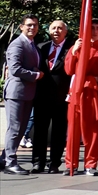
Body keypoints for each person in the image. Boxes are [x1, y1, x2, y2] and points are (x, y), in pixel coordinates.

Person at [65, 17, 98, 175]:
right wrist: (75, 51)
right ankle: (71, 164)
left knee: (93, 132)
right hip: (76, 93)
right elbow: (69, 70)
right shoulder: (77, 47)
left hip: (93, 94)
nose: (95, 31)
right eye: (92, 27)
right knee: (73, 131)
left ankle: (90, 164)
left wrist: (95, 79)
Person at [3, 15, 42, 175]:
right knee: (15, 128)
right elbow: (15, 69)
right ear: (21, 27)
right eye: (29, 25)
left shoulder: (33, 45)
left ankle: (4, 159)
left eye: (35, 25)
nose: (32, 28)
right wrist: (36, 75)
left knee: (20, 129)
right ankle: (10, 162)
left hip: (27, 93)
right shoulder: (17, 44)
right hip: (16, 93)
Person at [33, 18, 72, 174]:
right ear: (49, 31)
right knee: (39, 131)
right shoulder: (40, 48)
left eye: (60, 28)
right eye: (53, 28)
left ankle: (54, 163)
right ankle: (38, 162)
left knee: (59, 131)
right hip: (42, 96)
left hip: (61, 97)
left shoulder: (71, 49)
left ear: (66, 32)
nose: (56, 31)